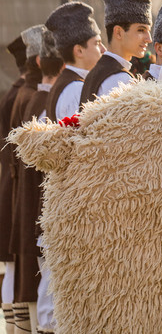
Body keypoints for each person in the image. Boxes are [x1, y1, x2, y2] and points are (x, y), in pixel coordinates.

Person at [14, 31, 63, 334]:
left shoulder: (34, 96)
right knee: (46, 286)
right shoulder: (41, 100)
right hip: (38, 202)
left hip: (29, 200)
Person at [6, 26, 45, 333]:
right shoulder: (29, 94)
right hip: (20, 192)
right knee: (23, 274)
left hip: (13, 189)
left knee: (16, 272)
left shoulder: (21, 91)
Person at [79, 0, 153, 106]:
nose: (149, 38)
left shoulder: (97, 72)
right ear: (118, 32)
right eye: (141, 30)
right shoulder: (120, 79)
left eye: (148, 31)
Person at [0, 36, 26, 331]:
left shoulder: (13, 93)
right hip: (13, 185)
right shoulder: (21, 94)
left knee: (12, 267)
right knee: (14, 267)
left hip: (9, 183)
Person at [44, 2, 105, 121]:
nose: (103, 49)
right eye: (97, 43)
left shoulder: (66, 84)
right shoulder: (77, 89)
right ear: (79, 51)